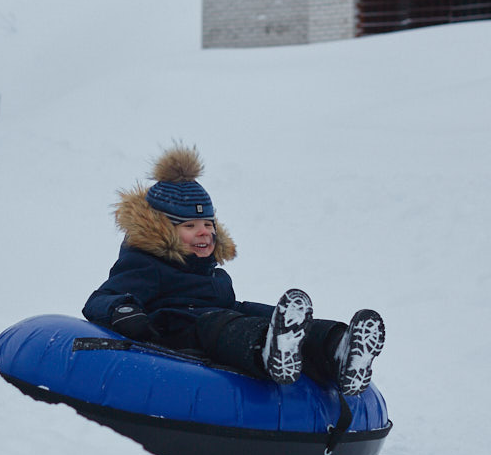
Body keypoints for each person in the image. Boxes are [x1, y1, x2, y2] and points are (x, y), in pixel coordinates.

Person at [82, 144, 385, 394]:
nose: (204, 233)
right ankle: (267, 350)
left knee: (255, 314)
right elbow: (101, 299)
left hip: (217, 319)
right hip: (178, 330)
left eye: (208, 224)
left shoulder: (210, 272)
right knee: (221, 324)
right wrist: (125, 313)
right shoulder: (144, 264)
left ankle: (338, 347)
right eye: (190, 226)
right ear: (162, 232)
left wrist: (267, 314)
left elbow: (229, 306)